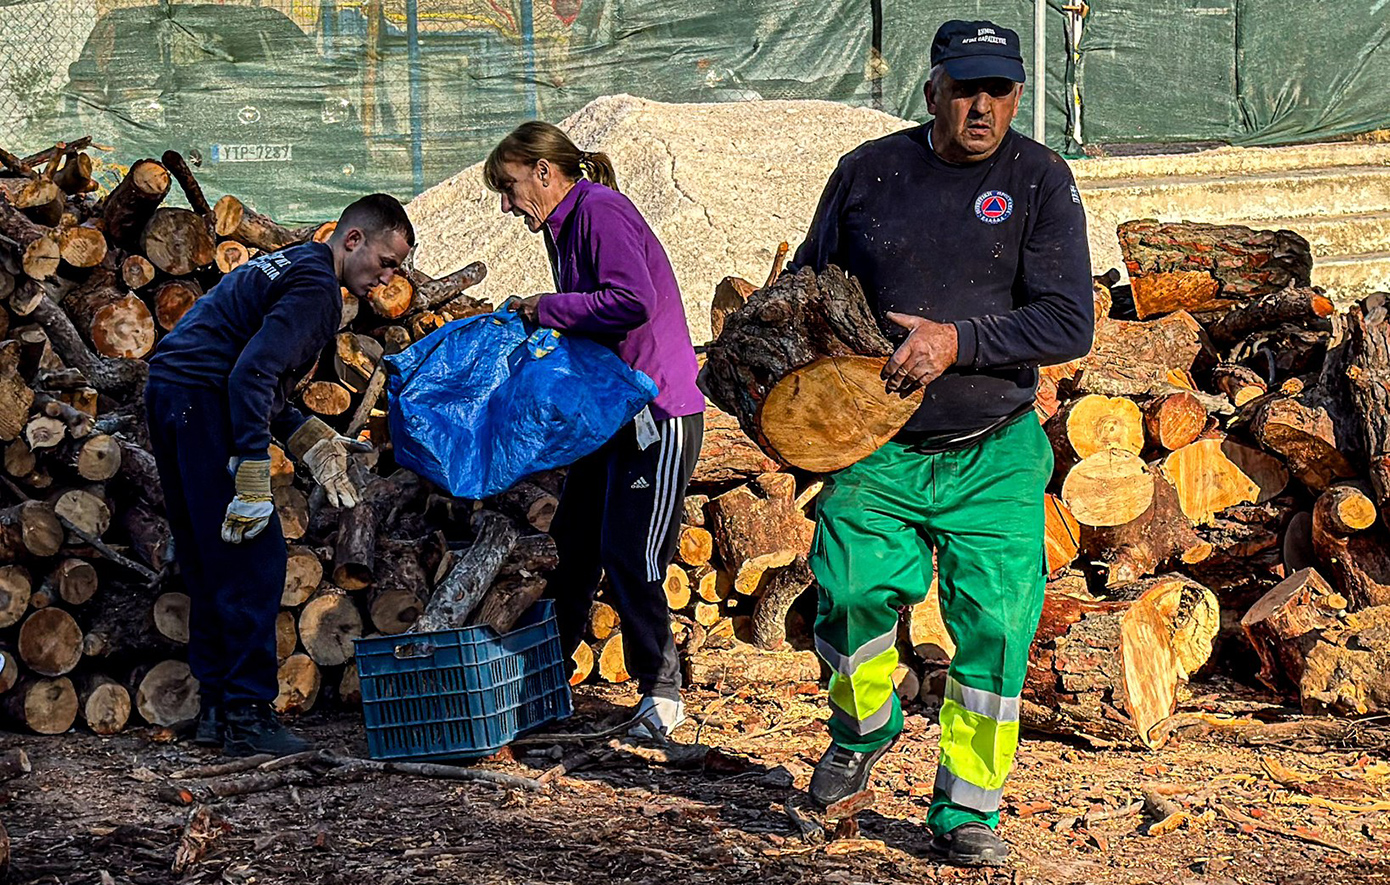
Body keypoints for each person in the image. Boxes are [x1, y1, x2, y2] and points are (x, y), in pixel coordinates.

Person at [788, 20, 1094, 866]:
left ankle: (966, 808)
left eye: (999, 89)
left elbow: (1069, 320)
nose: (982, 106)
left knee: (997, 625)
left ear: (1019, 96)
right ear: (932, 92)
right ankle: (864, 725)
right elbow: (808, 288)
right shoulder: (868, 173)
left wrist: (957, 342)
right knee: (848, 593)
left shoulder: (1039, 179)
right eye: (965, 89)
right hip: (878, 445)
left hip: (994, 447)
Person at [146, 194, 414, 757]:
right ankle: (247, 714)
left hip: (172, 392)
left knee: (210, 555)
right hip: (201, 402)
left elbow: (251, 372)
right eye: (387, 262)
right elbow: (252, 374)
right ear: (353, 239)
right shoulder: (318, 290)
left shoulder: (294, 262)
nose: (389, 279)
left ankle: (218, 709)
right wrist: (249, 470)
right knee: (255, 557)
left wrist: (308, 434)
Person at [485, 121, 704, 740]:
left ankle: (662, 693)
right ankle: (542, 686)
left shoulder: (600, 211)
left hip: (657, 412)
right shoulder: (565, 223)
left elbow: (631, 302)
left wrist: (545, 307)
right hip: (609, 413)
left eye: (509, 187)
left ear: (544, 172)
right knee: (575, 544)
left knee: (632, 552)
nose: (507, 206)